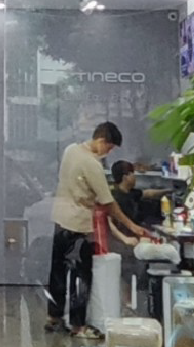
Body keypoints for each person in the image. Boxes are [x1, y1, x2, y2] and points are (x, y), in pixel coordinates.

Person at [48, 122, 154, 340]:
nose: (109, 152)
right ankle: (78, 326)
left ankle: (54, 317)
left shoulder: (70, 150)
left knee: (58, 269)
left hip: (60, 218)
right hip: (79, 225)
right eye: (110, 147)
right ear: (101, 140)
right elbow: (108, 203)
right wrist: (133, 227)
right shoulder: (92, 164)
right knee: (81, 276)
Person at [110, 161, 171, 232]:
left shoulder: (130, 192)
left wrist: (168, 190)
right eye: (132, 173)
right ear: (125, 177)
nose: (134, 176)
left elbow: (148, 193)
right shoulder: (118, 198)